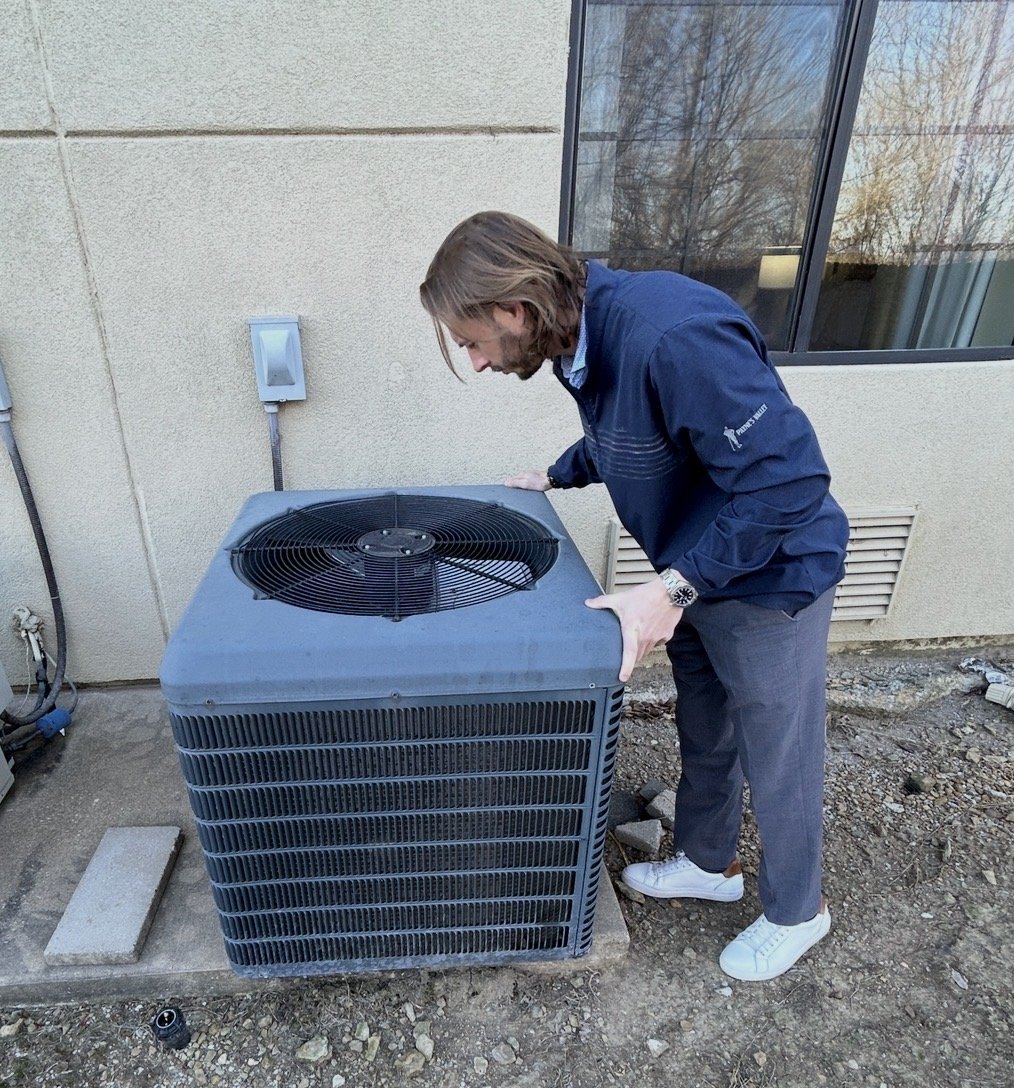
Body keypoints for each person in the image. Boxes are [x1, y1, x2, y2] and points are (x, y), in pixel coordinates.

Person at [419, 211, 850, 982]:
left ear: (514, 309)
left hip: (771, 575)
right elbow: (630, 428)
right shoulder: (572, 340)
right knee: (708, 725)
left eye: (473, 341)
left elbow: (790, 481)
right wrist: (556, 474)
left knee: (777, 750)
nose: (478, 363)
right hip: (695, 569)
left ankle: (798, 911)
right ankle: (710, 866)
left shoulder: (671, 335)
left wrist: (674, 589)